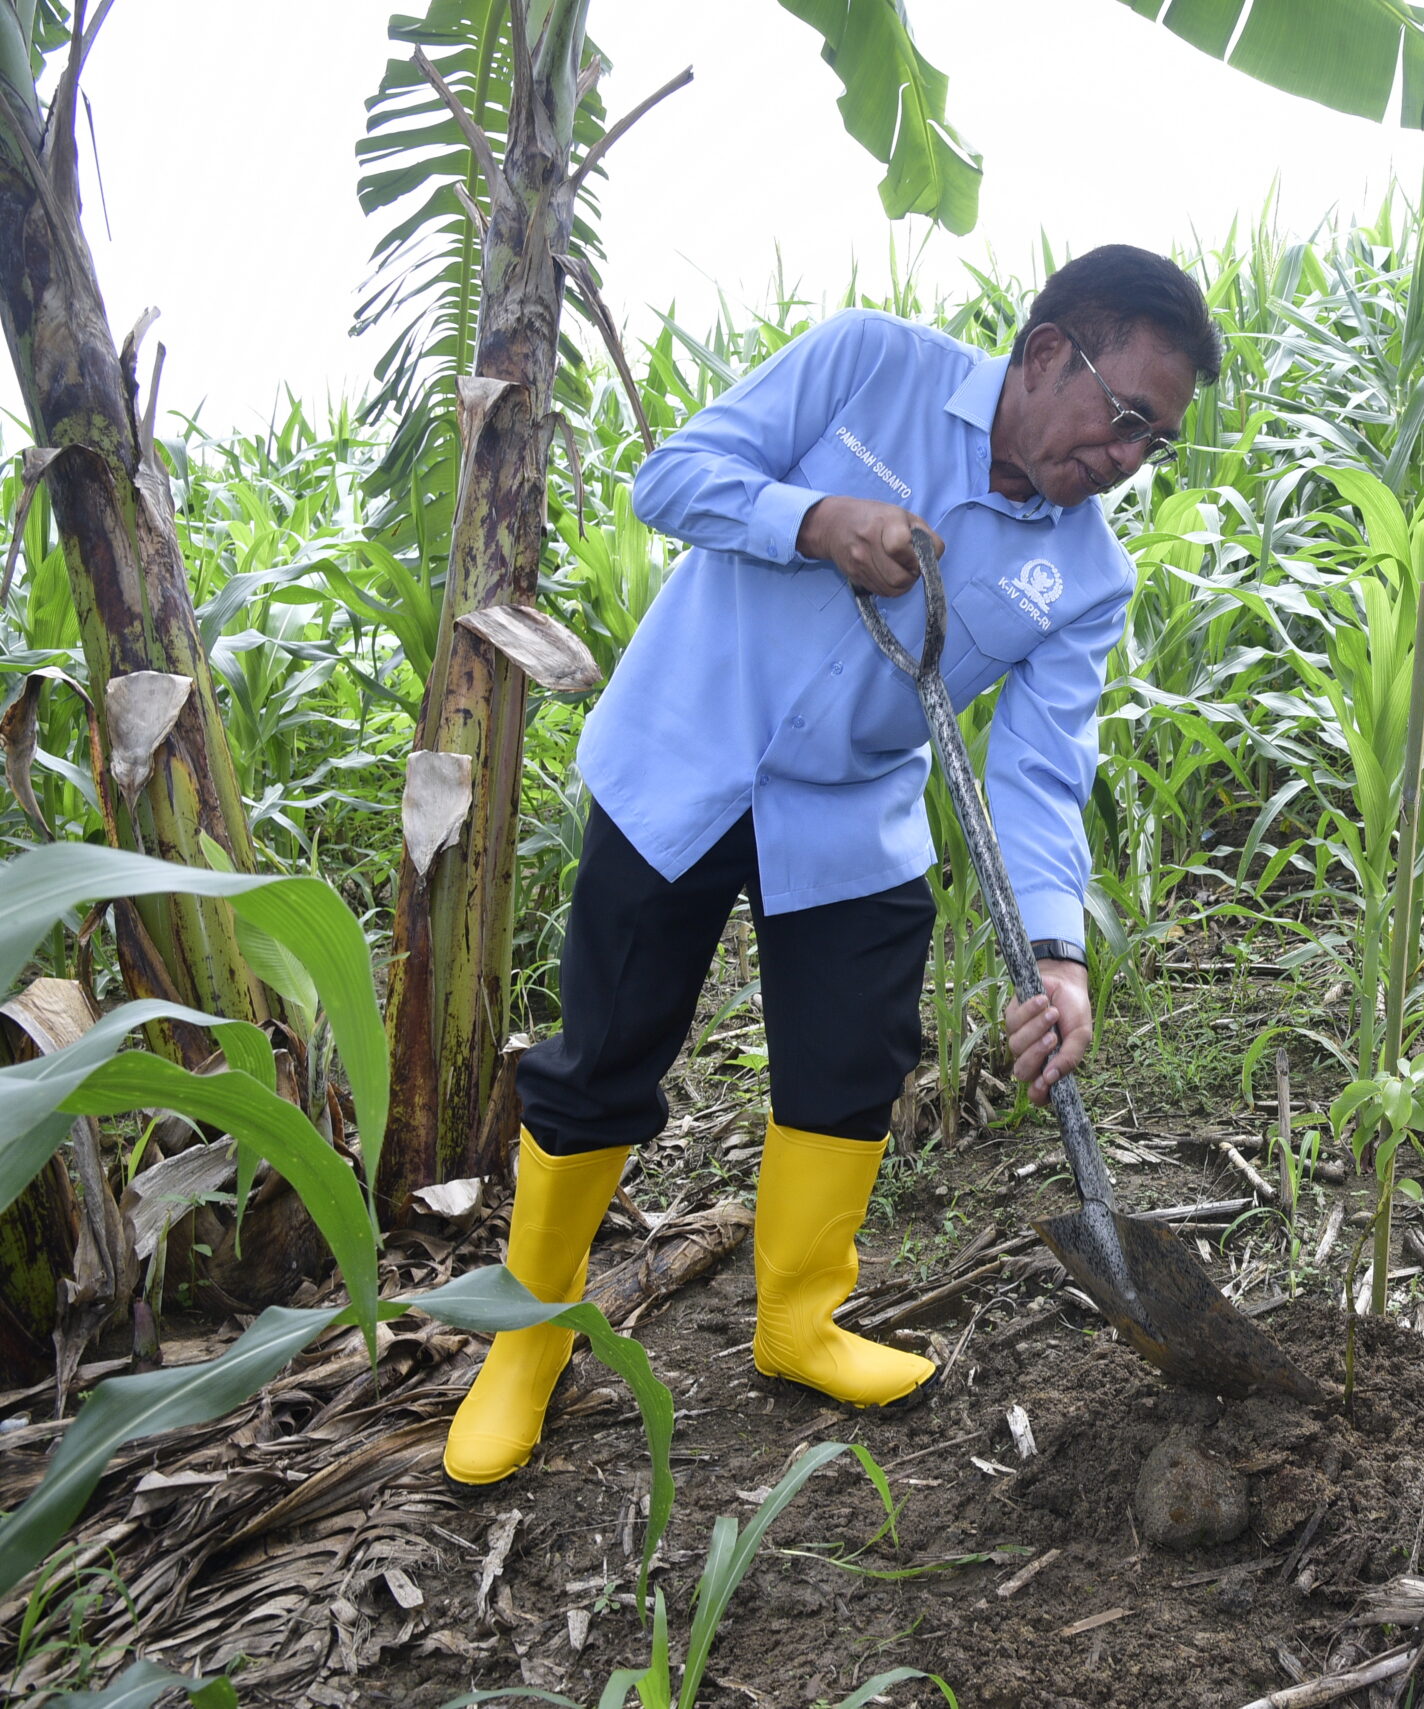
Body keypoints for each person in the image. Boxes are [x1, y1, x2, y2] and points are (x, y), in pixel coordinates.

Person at [440, 245, 1221, 1486]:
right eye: (1124, 416)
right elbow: (673, 478)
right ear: (1044, 350)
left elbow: (1035, 768)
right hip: (684, 756)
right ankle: (527, 1344)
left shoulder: (1087, 574)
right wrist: (814, 519)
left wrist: (1061, 956)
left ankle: (799, 1321)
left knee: (854, 1057)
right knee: (605, 1055)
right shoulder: (870, 363)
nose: (1126, 458)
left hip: (850, 809)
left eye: (1154, 442)